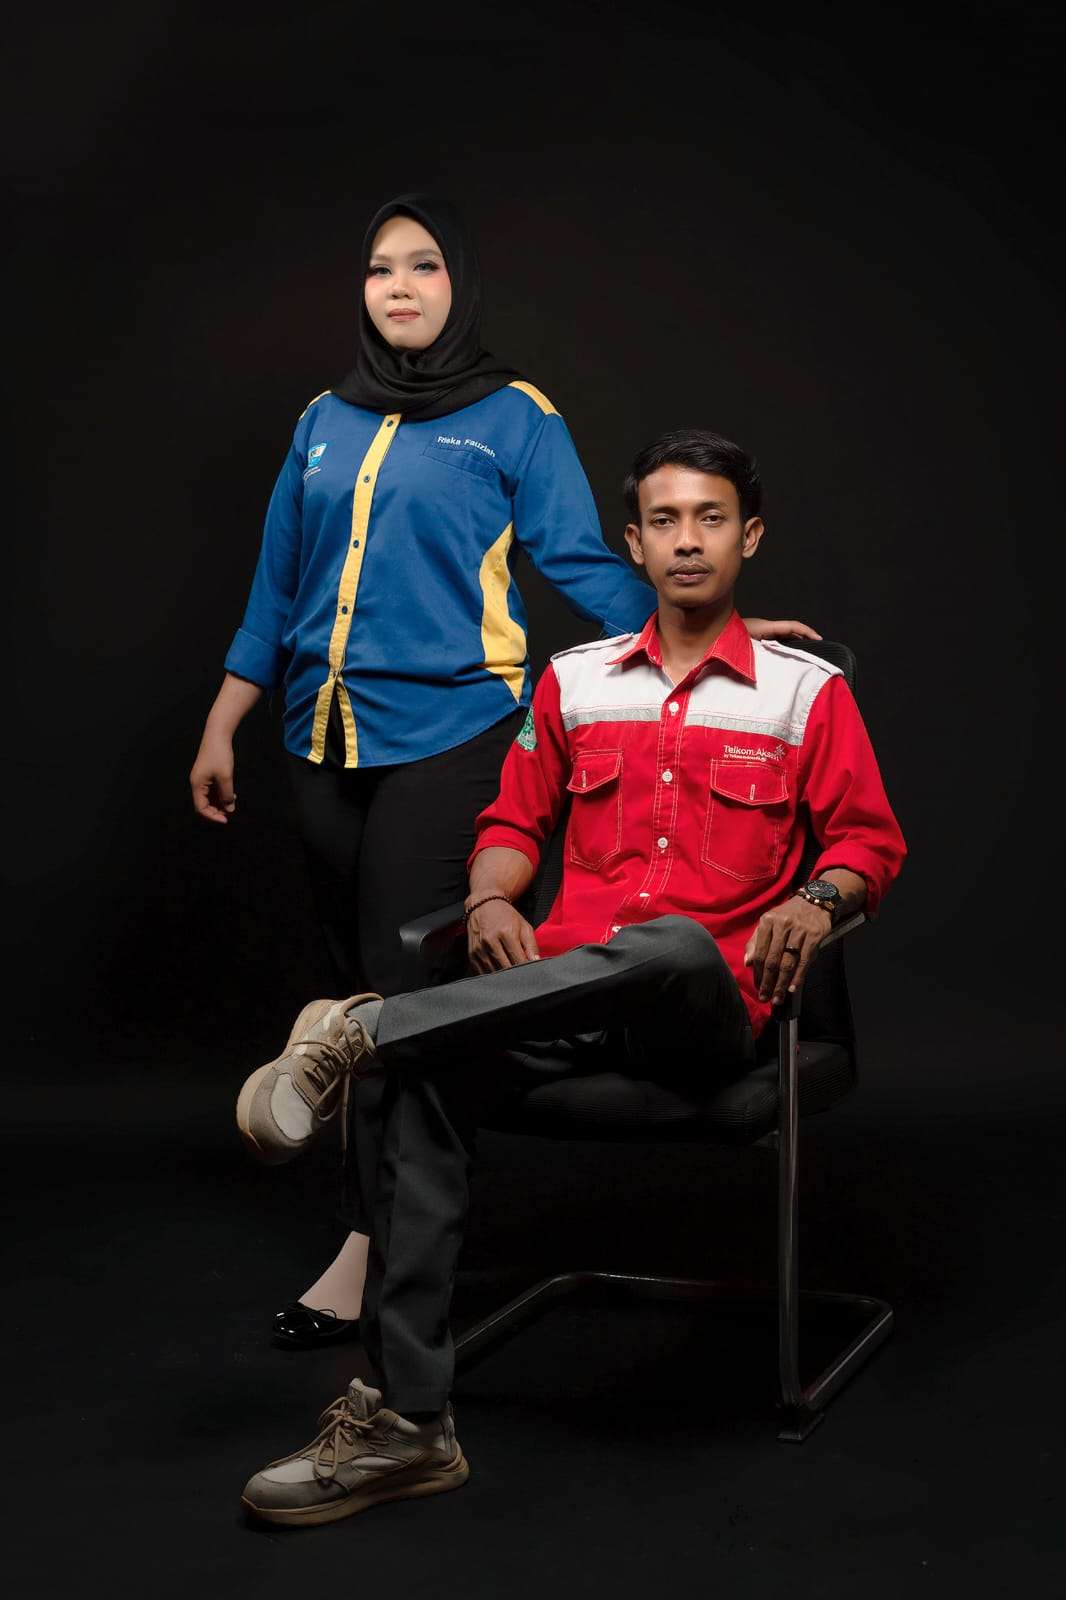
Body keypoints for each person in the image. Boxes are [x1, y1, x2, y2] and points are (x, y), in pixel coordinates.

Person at [234, 427, 907, 1525]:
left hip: (704, 1017)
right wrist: (491, 898)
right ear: (632, 544)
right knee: (425, 1075)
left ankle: (366, 1029)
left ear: (748, 537)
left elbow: (867, 844)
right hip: (555, 999)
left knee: (675, 943)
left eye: (709, 519)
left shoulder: (803, 692)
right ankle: (410, 1425)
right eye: (663, 521)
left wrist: (816, 901)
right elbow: (511, 824)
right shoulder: (573, 682)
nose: (686, 541)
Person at [190, 195, 818, 1345]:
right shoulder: (322, 418)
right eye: (381, 268)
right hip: (318, 738)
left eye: (424, 265)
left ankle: (373, 1251)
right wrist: (225, 720)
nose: (400, 286)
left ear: (459, 284)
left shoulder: (514, 416)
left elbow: (579, 557)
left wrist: (707, 625)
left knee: (403, 983)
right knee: (349, 986)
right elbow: (278, 580)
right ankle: (382, 1219)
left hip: (454, 733)